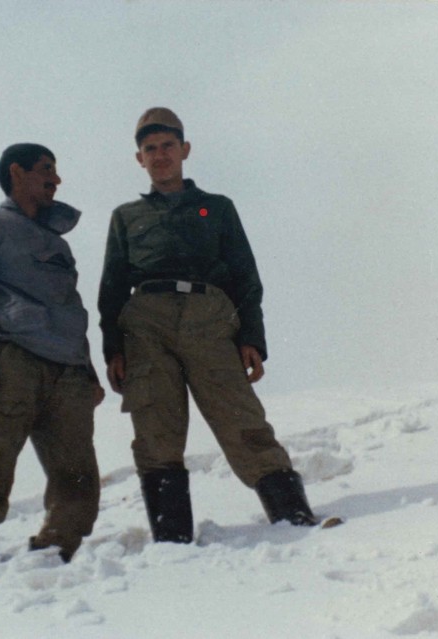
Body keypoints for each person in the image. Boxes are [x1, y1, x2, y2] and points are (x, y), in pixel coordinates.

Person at [97, 107, 317, 544]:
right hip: (146, 325)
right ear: (139, 159)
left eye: (168, 146)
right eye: (150, 149)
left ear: (185, 150)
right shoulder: (126, 216)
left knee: (240, 416)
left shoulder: (217, 209)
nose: (160, 155)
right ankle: (172, 540)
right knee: (155, 427)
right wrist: (113, 349)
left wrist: (252, 338)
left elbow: (245, 277)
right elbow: (112, 288)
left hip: (208, 319)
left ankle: (291, 514)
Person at [0, 143, 104, 568]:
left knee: (80, 483)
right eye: (46, 169)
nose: (56, 179)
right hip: (10, 363)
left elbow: (70, 310)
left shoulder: (58, 244)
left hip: (68, 374)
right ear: (17, 173)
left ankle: (48, 562)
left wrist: (88, 371)